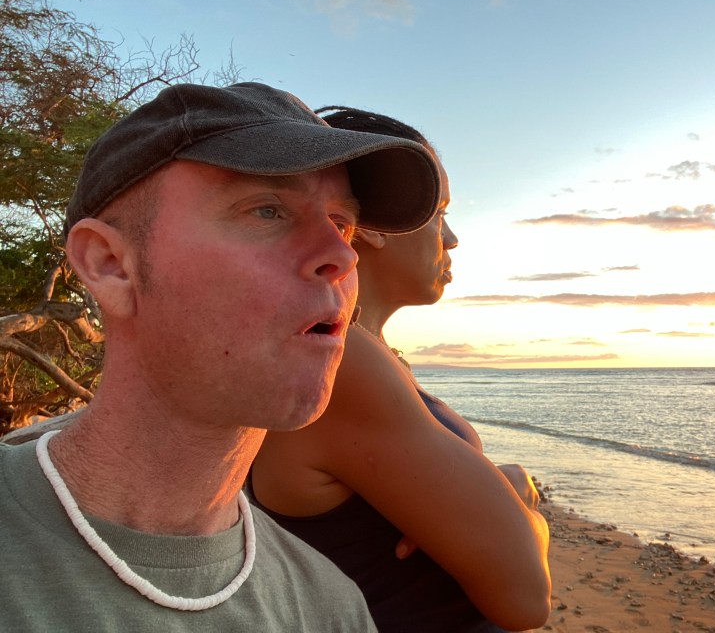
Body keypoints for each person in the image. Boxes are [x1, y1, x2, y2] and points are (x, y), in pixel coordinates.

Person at [0, 83, 442, 631]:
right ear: (111, 264)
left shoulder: (331, 608)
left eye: (342, 224)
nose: (341, 256)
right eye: (268, 211)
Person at [251, 107, 551, 633]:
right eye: (439, 213)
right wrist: (515, 487)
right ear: (375, 228)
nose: (451, 238)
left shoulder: (368, 354)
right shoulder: (343, 362)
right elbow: (527, 597)